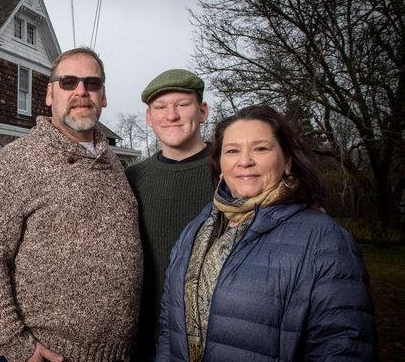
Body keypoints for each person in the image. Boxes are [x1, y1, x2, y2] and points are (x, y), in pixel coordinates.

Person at [156, 105, 376, 361]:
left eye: (261, 148)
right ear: (220, 164)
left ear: (287, 161)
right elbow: (169, 324)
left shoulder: (324, 239)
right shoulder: (198, 228)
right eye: (232, 150)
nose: (245, 160)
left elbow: (343, 347)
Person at [0, 47, 143, 362]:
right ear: (50, 94)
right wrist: (16, 345)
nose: (80, 91)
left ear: (103, 96)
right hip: (48, 355)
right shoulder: (16, 162)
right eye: (68, 82)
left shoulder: (114, 164)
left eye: (92, 83)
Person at [125, 69, 215, 359]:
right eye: (160, 107)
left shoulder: (234, 174)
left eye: (182, 105)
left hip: (215, 340)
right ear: (149, 118)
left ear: (202, 112)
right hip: (143, 342)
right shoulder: (131, 179)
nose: (171, 115)